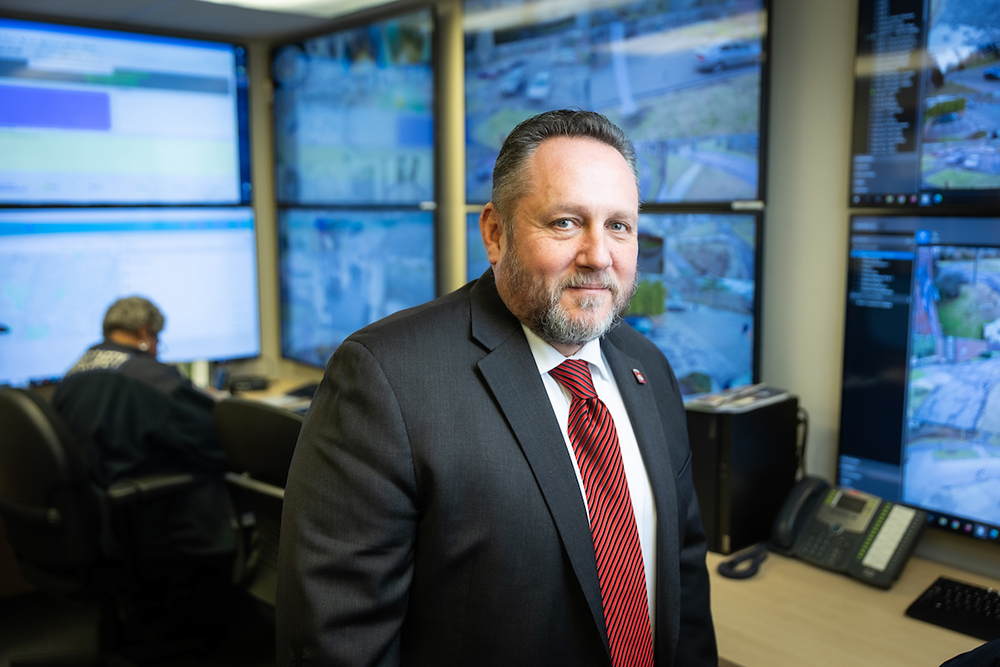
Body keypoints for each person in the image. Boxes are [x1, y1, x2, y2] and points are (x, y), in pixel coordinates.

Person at [276, 109, 717, 667]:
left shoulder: (648, 367)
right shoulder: (386, 377)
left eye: (619, 226)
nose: (598, 255)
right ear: (494, 231)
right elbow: (334, 642)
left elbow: (683, 574)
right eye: (564, 222)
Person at [52, 295, 237, 640]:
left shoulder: (76, 370)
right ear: (144, 333)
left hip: (93, 516)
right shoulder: (151, 377)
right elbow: (214, 438)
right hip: (150, 522)